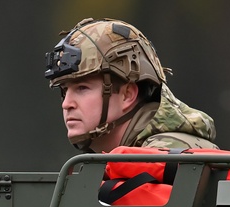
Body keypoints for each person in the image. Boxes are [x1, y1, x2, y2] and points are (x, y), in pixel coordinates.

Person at [45, 17, 218, 153]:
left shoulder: (165, 158)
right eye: (65, 90)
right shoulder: (135, 157)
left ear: (127, 95)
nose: (66, 104)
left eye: (82, 88)